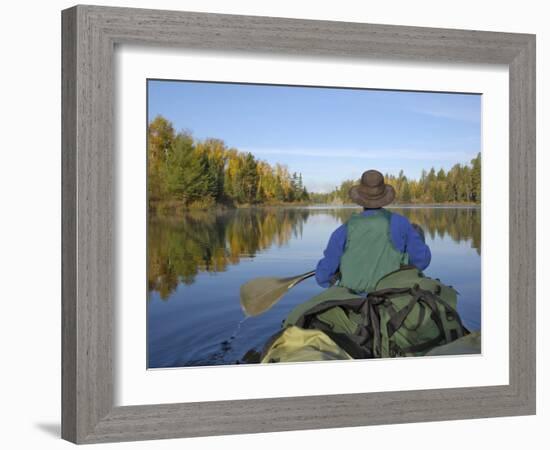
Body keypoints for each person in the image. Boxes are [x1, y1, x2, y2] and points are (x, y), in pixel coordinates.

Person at [316, 170, 431, 294]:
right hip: (392, 298)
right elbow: (422, 261)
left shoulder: (342, 231)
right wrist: (404, 259)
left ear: (360, 199)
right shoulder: (402, 224)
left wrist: (338, 270)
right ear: (384, 197)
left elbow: (323, 278)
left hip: (354, 302)